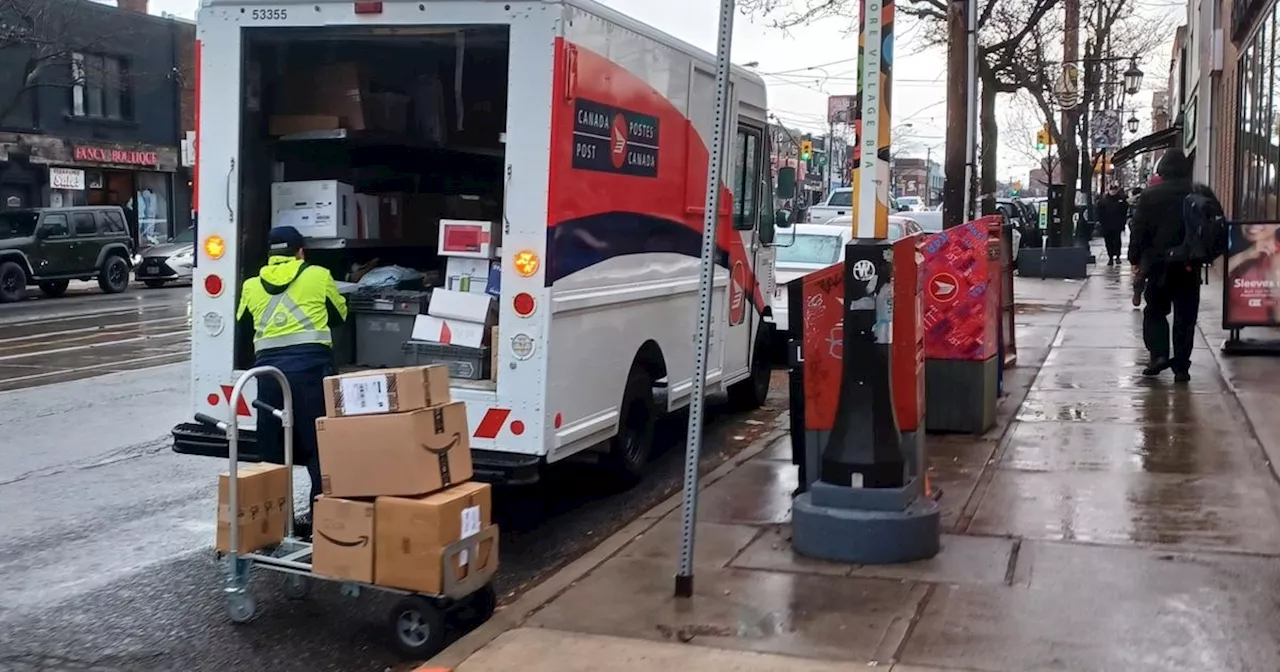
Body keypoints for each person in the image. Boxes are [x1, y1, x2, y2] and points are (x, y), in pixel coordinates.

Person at [236, 226, 348, 537]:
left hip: (269, 379)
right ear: (300, 251)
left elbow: (243, 327)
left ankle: (272, 527)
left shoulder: (250, 286)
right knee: (318, 450)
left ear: (271, 254)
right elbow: (340, 316)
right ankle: (320, 527)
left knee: (271, 452)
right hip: (311, 374)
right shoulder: (318, 275)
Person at [1127, 149, 1222, 383]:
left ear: (1162, 170)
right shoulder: (1200, 192)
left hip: (1159, 264)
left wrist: (1135, 257)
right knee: (1185, 316)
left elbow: (1139, 230)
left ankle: (1159, 354)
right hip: (1189, 263)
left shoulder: (1151, 195)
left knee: (1155, 311)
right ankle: (1181, 366)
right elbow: (1218, 225)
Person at [1096, 184, 1129, 266]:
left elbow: (1124, 212)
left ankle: (1117, 256)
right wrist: (1100, 222)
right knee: (1109, 241)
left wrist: (1122, 223)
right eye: (1112, 189)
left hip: (1117, 224)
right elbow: (1099, 212)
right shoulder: (1103, 201)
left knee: (1117, 240)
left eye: (1114, 189)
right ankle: (1110, 257)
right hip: (1107, 225)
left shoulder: (1121, 199)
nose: (1113, 191)